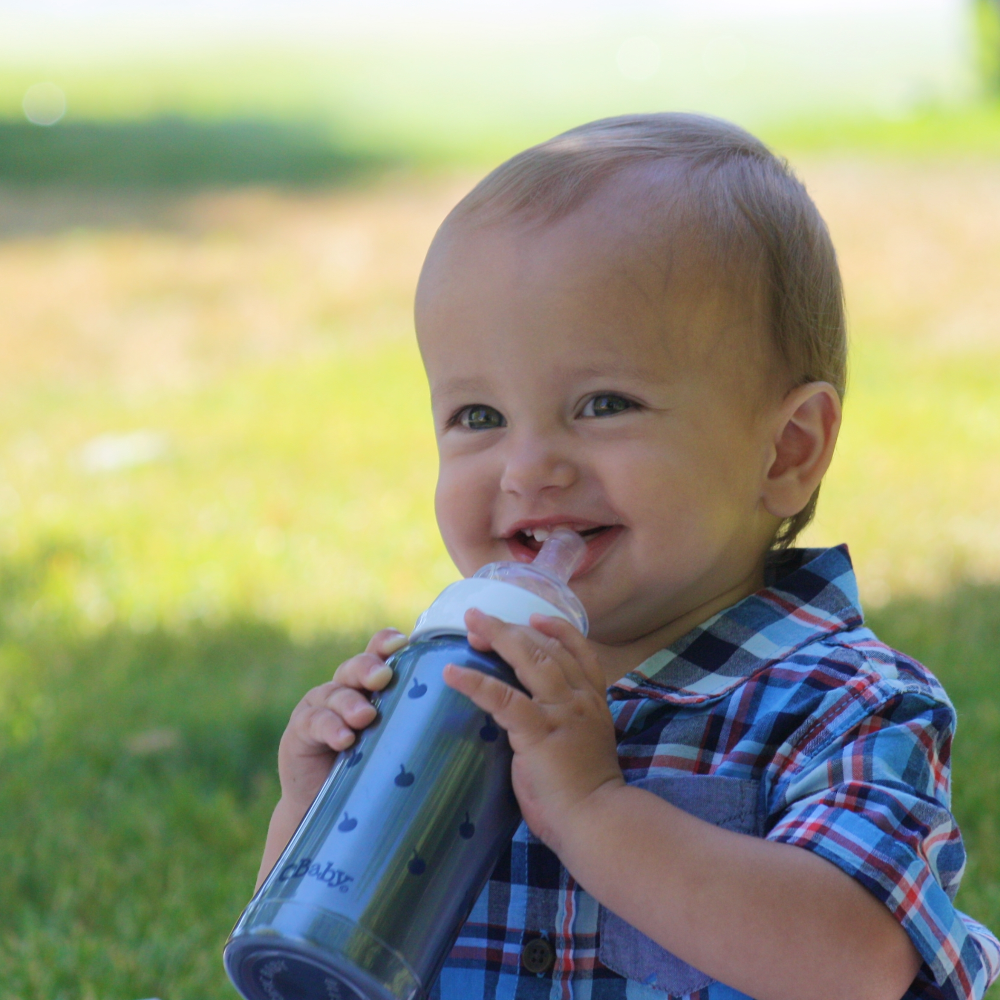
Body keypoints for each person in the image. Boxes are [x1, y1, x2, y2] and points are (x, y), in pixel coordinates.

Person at [256, 114, 1000, 1000]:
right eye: (480, 418)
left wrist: (595, 809)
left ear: (787, 450)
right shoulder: (453, 704)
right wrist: (316, 815)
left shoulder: (847, 708)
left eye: (604, 404)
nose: (530, 468)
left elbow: (857, 962)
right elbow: (324, 968)